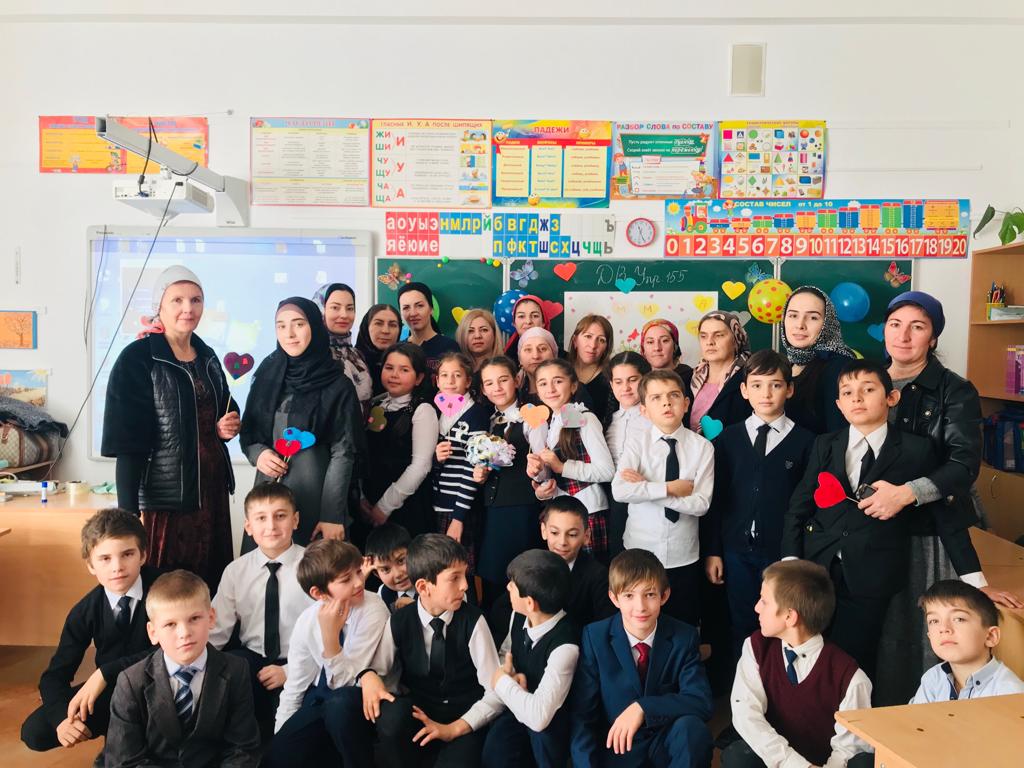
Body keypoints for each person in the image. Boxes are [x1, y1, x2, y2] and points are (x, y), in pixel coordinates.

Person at [875, 290, 1022, 703]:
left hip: (932, 530)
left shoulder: (954, 390)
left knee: (931, 635)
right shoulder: (867, 381)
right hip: (875, 529)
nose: (904, 336)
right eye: (895, 325)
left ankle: (934, 723)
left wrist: (908, 494)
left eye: (917, 327)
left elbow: (963, 465)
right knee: (884, 637)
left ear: (933, 337)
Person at [782, 360, 947, 679]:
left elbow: (942, 510)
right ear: (838, 404)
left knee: (854, 658)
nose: (856, 398)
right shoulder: (825, 444)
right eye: (847, 392)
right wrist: (790, 560)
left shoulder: (916, 450)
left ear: (891, 397)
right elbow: (799, 506)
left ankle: (852, 710)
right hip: (818, 567)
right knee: (808, 650)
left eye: (868, 390)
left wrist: (974, 577)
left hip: (873, 572)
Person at [102, 266, 237, 591]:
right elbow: (128, 442)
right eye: (177, 300)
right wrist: (128, 515)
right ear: (159, 305)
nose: (188, 308)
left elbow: (222, 406)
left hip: (211, 495)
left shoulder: (207, 356)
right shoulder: (137, 358)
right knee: (166, 592)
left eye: (196, 300)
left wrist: (227, 423)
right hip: (166, 503)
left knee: (211, 589)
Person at [21, 509, 159, 763]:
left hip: (162, 688)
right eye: (105, 558)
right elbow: (54, 676)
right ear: (90, 565)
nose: (117, 567)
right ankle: (117, 738)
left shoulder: (165, 588)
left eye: (127, 554)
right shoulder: (85, 610)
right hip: (113, 693)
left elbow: (174, 650)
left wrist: (105, 672)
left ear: (143, 555)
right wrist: (62, 720)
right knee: (35, 731)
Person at [701, 350, 815, 658]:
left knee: (785, 621)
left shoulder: (806, 441)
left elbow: (807, 504)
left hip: (781, 552)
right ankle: (746, 680)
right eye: (757, 385)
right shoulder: (728, 440)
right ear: (744, 390)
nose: (766, 394)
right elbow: (716, 499)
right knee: (741, 622)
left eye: (776, 385)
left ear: (789, 390)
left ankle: (780, 680)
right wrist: (713, 550)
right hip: (736, 551)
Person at [360, 534, 504, 768]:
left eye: (464, 575)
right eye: (454, 578)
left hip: (463, 715)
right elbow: (379, 671)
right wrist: (369, 676)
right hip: (418, 712)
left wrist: (455, 728)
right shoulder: (399, 621)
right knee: (391, 720)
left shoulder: (474, 621)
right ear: (423, 587)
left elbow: (496, 689)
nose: (465, 585)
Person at [568, 548, 714, 768]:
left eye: (650, 594)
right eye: (629, 595)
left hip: (666, 744)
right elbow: (583, 716)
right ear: (614, 598)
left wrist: (643, 708)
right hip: (619, 748)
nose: (641, 607)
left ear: (664, 596)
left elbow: (701, 701)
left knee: (693, 730)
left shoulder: (684, 637)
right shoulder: (595, 637)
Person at [723, 560, 873, 768]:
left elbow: (849, 749)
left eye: (764, 601)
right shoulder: (756, 647)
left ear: (790, 616)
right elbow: (746, 715)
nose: (756, 607)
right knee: (738, 756)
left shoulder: (851, 678)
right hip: (779, 761)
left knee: (864, 763)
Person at [105, 570, 261, 768]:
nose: (184, 633)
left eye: (194, 618)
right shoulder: (130, 681)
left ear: (211, 618)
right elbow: (126, 760)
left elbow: (242, 748)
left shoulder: (236, 670)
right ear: (153, 632)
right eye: (170, 624)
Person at [241, 297, 363, 547]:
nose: (289, 334)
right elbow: (251, 432)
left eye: (298, 324)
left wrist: (331, 515)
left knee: (315, 565)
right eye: (281, 326)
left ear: (315, 327)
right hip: (269, 497)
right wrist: (258, 454)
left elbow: (343, 452)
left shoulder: (337, 384)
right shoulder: (267, 375)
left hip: (316, 495)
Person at [264, 540, 390, 768]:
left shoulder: (373, 608)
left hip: (361, 701)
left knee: (339, 705)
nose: (359, 582)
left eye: (358, 572)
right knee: (277, 755)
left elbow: (351, 679)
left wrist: (330, 638)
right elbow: (295, 686)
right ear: (319, 593)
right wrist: (283, 735)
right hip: (321, 698)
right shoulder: (307, 620)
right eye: (346, 579)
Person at [209, 483, 314, 741]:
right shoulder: (236, 571)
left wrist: (290, 671)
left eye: (280, 516)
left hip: (302, 661)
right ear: (248, 526)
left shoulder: (315, 565)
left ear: (295, 520)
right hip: (253, 660)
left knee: (292, 735)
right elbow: (216, 631)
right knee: (228, 670)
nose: (271, 526)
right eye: (261, 518)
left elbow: (329, 634)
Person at [612, 369, 714, 626]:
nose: (666, 403)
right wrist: (669, 488)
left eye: (673, 396)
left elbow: (701, 504)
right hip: (639, 549)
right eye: (656, 398)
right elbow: (620, 491)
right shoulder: (637, 443)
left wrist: (646, 488)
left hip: (683, 554)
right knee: (640, 623)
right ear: (644, 410)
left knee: (683, 624)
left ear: (686, 403)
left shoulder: (702, 447)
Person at [483, 550, 579, 768]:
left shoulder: (565, 647)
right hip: (517, 705)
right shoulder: (518, 615)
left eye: (513, 585)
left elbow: (539, 717)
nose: (507, 587)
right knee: (495, 751)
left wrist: (502, 681)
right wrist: (510, 674)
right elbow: (506, 652)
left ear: (529, 603)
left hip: (550, 722)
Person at [487, 497, 615, 645]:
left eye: (572, 534)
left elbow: (605, 627)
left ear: (586, 536)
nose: (562, 542)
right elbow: (499, 611)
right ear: (544, 531)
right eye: (554, 532)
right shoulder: (532, 564)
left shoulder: (598, 576)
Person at [475, 356, 544, 609]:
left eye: (503, 380)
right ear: (483, 389)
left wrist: (538, 470)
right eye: (489, 383)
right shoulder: (486, 418)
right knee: (493, 577)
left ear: (516, 380)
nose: (497, 387)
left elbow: (542, 460)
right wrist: (481, 474)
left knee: (522, 576)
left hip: (521, 506)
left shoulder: (531, 415)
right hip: (490, 509)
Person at [529, 359, 615, 561]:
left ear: (574, 386)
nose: (550, 389)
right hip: (560, 516)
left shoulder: (585, 418)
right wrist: (539, 478)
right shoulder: (551, 423)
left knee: (589, 575)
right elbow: (552, 476)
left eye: (558, 381)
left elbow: (607, 471)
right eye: (543, 383)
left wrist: (561, 467)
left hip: (587, 515)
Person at [360, 342, 438, 540]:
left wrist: (385, 506)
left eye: (404, 370)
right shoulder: (375, 404)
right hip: (369, 503)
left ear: (419, 378)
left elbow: (421, 466)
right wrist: (361, 497)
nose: (394, 375)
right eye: (389, 368)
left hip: (405, 506)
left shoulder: (423, 410)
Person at [910, 580, 1024, 703]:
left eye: (959, 619)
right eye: (934, 621)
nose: (944, 629)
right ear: (929, 636)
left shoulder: (1010, 692)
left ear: (990, 636)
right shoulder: (933, 678)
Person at [433, 352, 491, 567]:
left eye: (457, 375)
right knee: (439, 567)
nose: (450, 380)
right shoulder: (436, 411)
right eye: (444, 375)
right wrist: (436, 458)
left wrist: (458, 518)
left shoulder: (476, 414)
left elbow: (472, 467)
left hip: (460, 507)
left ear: (468, 381)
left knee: (460, 567)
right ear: (437, 381)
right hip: (437, 504)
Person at [780, 286, 855, 435]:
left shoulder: (839, 366)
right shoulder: (786, 364)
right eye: (793, 315)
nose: (800, 325)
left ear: (827, 324)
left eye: (813, 317)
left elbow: (839, 435)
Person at [605, 351, 653, 557]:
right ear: (611, 384)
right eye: (618, 382)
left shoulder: (655, 418)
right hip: (612, 498)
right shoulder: (609, 419)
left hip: (646, 497)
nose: (625, 387)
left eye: (633, 380)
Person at [687, 310, 752, 436]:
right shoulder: (688, 379)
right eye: (703, 336)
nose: (709, 342)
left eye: (719, 335)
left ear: (736, 340)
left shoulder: (749, 380)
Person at [313, 282, 374, 409]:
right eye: (335, 307)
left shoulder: (356, 355)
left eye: (350, 308)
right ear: (320, 309)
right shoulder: (312, 354)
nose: (344, 315)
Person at [397, 282, 460, 377]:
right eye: (406, 308)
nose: (413, 313)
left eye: (419, 306)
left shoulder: (450, 347)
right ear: (401, 314)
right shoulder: (398, 350)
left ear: (431, 309)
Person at [568, 314, 614, 424]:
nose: (593, 345)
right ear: (575, 340)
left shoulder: (612, 377)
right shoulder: (560, 368)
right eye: (588, 336)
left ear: (606, 348)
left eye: (601, 340)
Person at [366, 523, 418, 612]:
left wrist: (419, 608)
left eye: (401, 561)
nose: (397, 574)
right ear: (377, 574)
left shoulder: (433, 584)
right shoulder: (383, 593)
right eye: (386, 569)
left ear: (414, 552)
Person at [356, 303, 402, 397]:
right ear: (366, 326)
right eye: (378, 323)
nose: (385, 331)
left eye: (392, 325)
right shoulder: (351, 362)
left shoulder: (406, 363)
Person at [640, 318, 694, 387]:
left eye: (664, 340)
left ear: (675, 346)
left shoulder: (692, 378)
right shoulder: (638, 380)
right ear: (643, 349)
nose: (657, 348)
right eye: (650, 342)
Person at [517, 325, 559, 403]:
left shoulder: (571, 389)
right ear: (520, 359)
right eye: (528, 349)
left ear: (554, 355)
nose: (535, 356)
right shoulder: (512, 392)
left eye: (542, 349)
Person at [455, 309, 504, 373]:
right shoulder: (456, 371)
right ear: (462, 335)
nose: (477, 336)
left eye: (484, 330)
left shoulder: (507, 368)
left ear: (494, 334)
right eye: (470, 331)